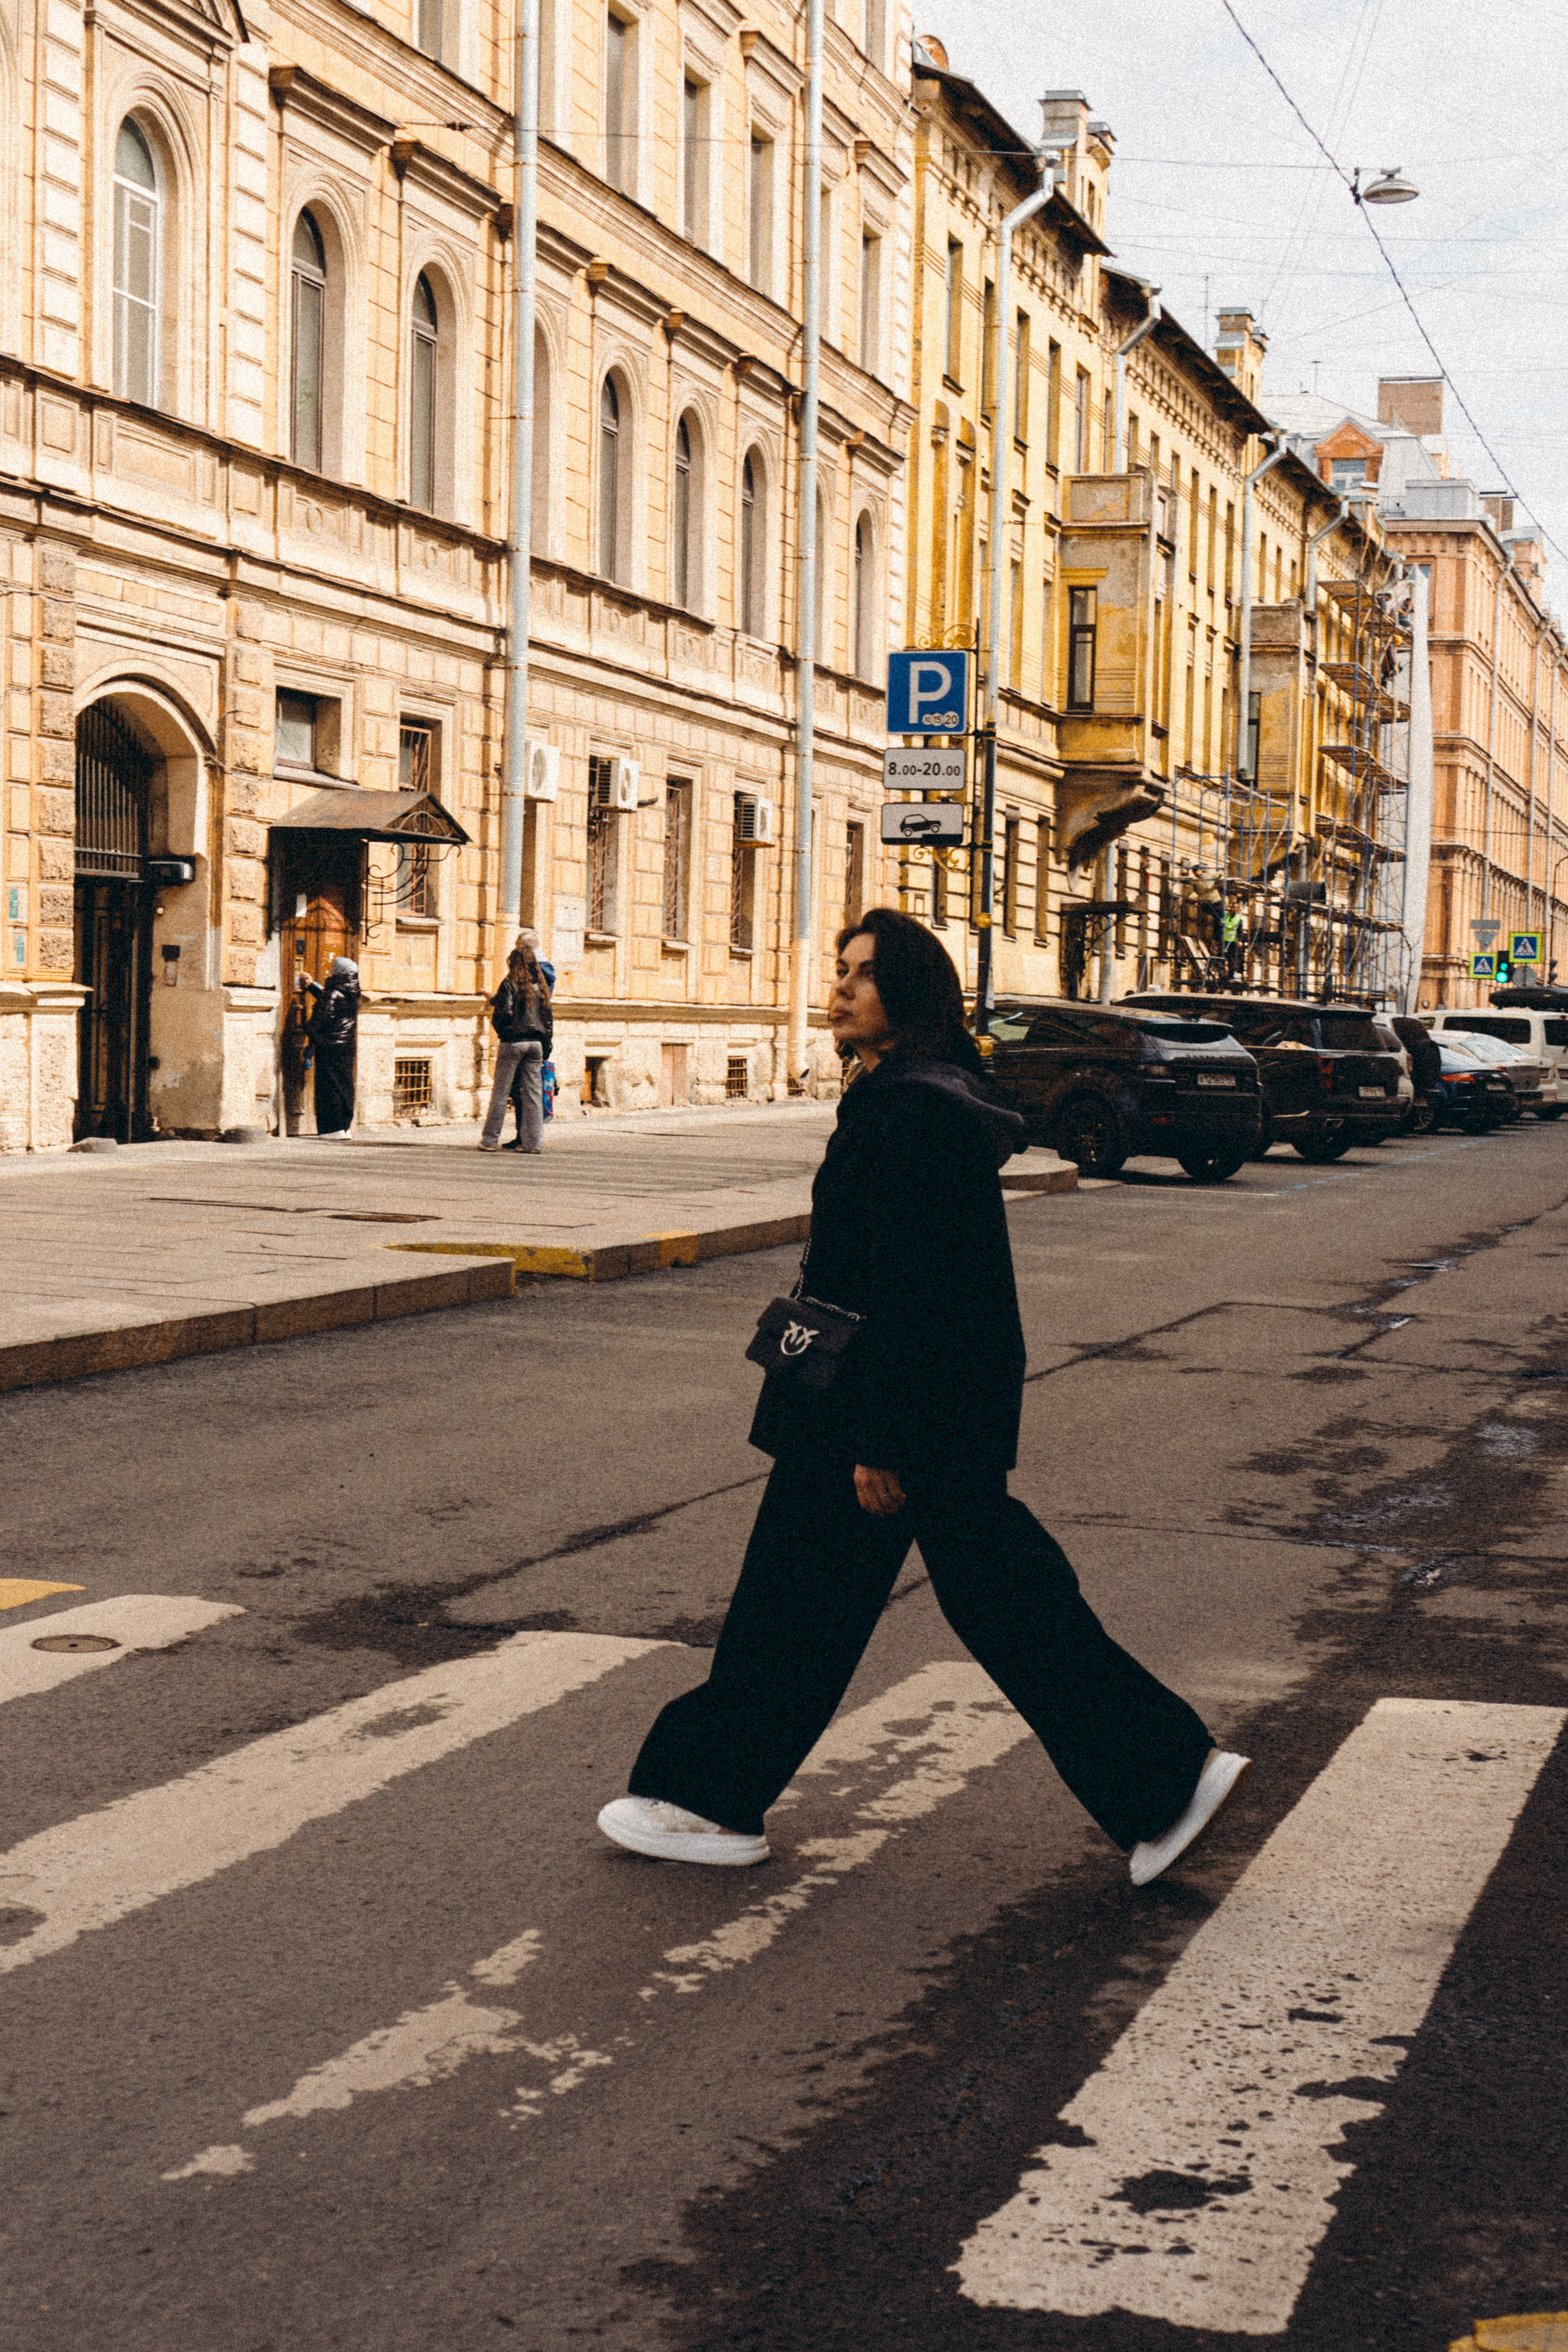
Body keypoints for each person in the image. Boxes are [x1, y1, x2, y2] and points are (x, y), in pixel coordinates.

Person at [597, 907, 1251, 1886]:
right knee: (982, 1601)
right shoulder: (915, 1098)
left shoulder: (912, 1114)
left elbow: (924, 1291)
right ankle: (1164, 1774)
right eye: (840, 967)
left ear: (907, 1001)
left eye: (863, 974)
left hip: (886, 1413)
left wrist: (885, 1440)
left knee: (803, 1609)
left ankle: (706, 1798)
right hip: (910, 1407)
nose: (842, 986)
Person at [481, 944, 553, 1152]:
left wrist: (504, 1033)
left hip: (513, 1042)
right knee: (533, 1095)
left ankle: (490, 1140)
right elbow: (548, 1019)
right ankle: (533, 1143)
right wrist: (546, 1045)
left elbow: (504, 1013)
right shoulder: (541, 985)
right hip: (536, 1044)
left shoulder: (509, 983)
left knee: (501, 1094)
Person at [299, 956, 360, 1138]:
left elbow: (323, 1016)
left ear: (336, 973)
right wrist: (312, 986)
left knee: (329, 1086)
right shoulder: (353, 992)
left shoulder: (333, 993)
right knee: (345, 1085)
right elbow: (332, 1000)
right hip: (347, 1046)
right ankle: (345, 1127)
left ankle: (332, 1128)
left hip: (330, 1047)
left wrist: (305, 1028)